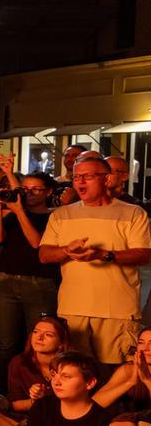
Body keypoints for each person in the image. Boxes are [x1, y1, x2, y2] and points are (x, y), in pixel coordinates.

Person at [39, 155, 151, 365]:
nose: (80, 181)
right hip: (73, 308)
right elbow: (44, 255)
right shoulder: (62, 215)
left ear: (107, 179)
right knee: (76, 370)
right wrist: (66, 250)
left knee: (115, 371)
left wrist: (105, 255)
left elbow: (143, 255)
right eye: (76, 176)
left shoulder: (132, 213)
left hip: (117, 310)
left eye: (87, 176)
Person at [0, 172, 58, 387]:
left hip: (39, 284)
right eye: (25, 189)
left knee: (37, 341)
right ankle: (6, 390)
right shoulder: (13, 215)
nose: (28, 194)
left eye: (35, 189)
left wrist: (19, 212)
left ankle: (38, 388)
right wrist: (0, 208)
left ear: (49, 192)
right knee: (6, 343)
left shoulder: (53, 218)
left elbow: (36, 244)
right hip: (6, 282)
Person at [3, 316, 69, 419]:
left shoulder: (70, 366)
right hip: (30, 419)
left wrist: (44, 400)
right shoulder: (19, 363)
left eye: (48, 335)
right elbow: (14, 405)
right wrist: (34, 400)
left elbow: (75, 404)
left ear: (61, 344)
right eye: (36, 332)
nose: (39, 338)